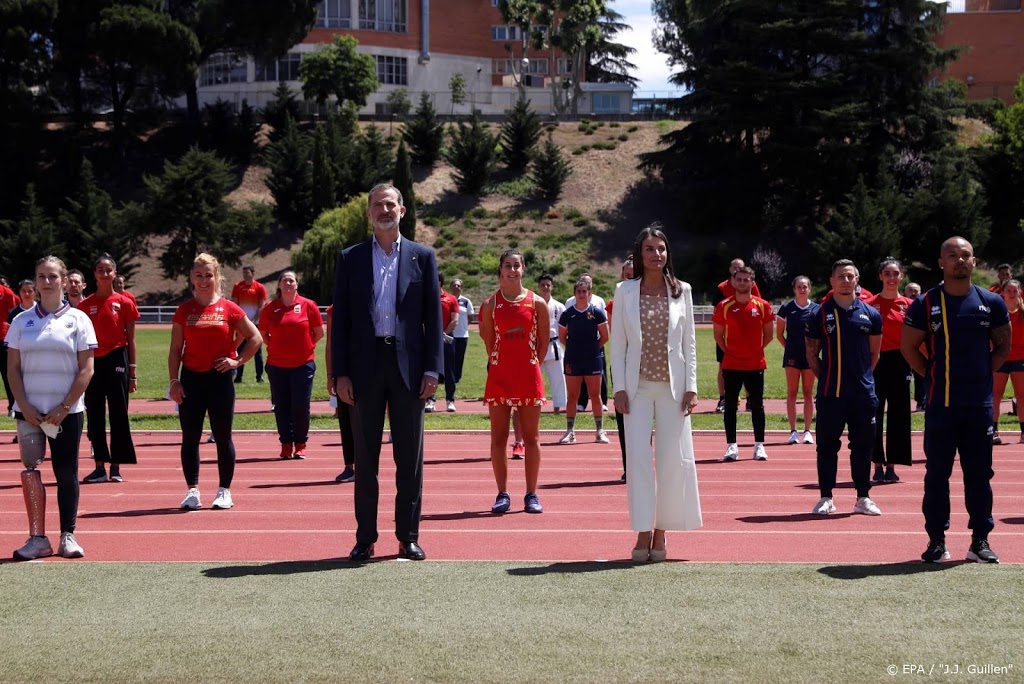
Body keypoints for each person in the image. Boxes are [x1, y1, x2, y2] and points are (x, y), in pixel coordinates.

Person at [331, 183, 443, 562]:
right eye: (377, 205)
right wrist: (340, 374)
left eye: (390, 204)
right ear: (369, 212)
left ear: (402, 210)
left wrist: (433, 369)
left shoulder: (422, 257)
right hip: (364, 368)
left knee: (409, 459)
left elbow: (433, 318)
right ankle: (365, 538)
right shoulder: (350, 258)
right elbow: (341, 321)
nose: (384, 210)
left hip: (409, 368)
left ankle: (407, 537)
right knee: (366, 460)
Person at [902, 236, 1010, 564]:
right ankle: (937, 540)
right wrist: (932, 375)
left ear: (974, 261)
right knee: (937, 476)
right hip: (941, 407)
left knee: (979, 475)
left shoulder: (992, 302)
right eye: (952, 255)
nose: (959, 260)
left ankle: (980, 540)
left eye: (965, 255)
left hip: (979, 407)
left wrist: (982, 375)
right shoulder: (926, 303)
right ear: (941, 262)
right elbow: (909, 348)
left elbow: (1003, 346)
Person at [611, 225, 702, 562]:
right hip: (636, 389)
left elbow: (689, 343)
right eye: (649, 249)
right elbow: (618, 346)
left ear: (667, 253)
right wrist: (619, 388)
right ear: (640, 254)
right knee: (637, 461)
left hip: (673, 390)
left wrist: (691, 386)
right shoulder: (625, 291)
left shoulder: (682, 290)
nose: (656, 254)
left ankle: (662, 531)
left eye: (661, 249)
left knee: (671, 462)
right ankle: (642, 530)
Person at [7, 256, 96, 560]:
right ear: (35, 281)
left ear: (64, 280)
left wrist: (65, 406)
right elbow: (12, 369)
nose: (47, 282)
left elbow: (87, 369)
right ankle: (37, 538)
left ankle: (67, 535)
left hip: (66, 413)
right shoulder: (21, 321)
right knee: (31, 471)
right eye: (41, 276)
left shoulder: (79, 320)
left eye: (53, 276)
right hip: (29, 411)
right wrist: (24, 405)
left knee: (66, 472)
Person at [169, 253, 263, 511]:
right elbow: (175, 349)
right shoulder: (184, 310)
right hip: (191, 380)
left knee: (223, 436)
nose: (203, 280)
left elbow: (255, 337)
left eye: (208, 275)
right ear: (192, 277)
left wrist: (237, 361)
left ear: (217, 276)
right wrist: (174, 381)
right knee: (190, 437)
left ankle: (224, 491)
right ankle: (192, 491)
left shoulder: (229, 308)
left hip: (219, 380)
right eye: (198, 275)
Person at [805, 259, 884, 517]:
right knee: (827, 447)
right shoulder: (819, 314)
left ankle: (863, 497)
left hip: (863, 395)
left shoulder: (871, 314)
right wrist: (827, 377)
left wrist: (861, 377)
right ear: (832, 281)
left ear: (857, 279)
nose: (846, 281)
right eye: (841, 276)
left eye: (850, 276)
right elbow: (811, 354)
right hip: (831, 394)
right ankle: (826, 497)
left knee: (862, 447)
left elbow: (874, 354)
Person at [479, 249, 549, 514]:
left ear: (523, 269)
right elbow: (489, 342)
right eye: (507, 265)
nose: (512, 270)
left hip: (529, 376)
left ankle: (531, 494)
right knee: (498, 437)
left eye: (516, 265)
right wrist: (502, 363)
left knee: (531, 437)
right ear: (500, 269)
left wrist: (530, 364)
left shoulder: (537, 303)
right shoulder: (490, 305)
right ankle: (502, 493)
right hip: (500, 376)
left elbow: (543, 342)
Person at [79, 254, 140, 484]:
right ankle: (99, 466)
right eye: (100, 270)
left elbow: (131, 340)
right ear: (94, 274)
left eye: (108, 270)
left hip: (117, 358)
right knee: (94, 414)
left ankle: (116, 466)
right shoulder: (85, 305)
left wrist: (132, 372)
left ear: (115, 273)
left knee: (118, 413)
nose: (104, 274)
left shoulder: (125, 302)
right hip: (93, 361)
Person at [259, 270, 324, 460]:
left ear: (297, 284)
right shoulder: (270, 308)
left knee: (300, 406)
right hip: (277, 366)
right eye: (284, 280)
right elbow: (262, 334)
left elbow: (319, 333)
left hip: (303, 365)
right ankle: (286, 444)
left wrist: (307, 347)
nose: (288, 283)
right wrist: (274, 346)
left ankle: (301, 444)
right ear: (279, 285)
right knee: (281, 407)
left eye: (291, 280)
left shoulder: (308, 305)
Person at [713, 266, 774, 461]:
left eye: (746, 280)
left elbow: (769, 334)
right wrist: (730, 351)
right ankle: (732, 446)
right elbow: (718, 335)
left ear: (752, 282)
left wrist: (755, 350)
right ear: (733, 281)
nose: (742, 283)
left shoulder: (762, 305)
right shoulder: (724, 306)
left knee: (757, 406)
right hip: (731, 364)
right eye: (739, 279)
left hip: (755, 364)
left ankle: (759, 445)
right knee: (730, 406)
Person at [866, 258, 913, 484]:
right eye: (887, 273)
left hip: (901, 361)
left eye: (895, 273)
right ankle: (876, 464)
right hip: (875, 361)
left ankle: (892, 464)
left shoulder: (909, 305)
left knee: (899, 414)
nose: (891, 278)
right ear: (880, 276)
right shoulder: (869, 304)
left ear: (901, 276)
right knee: (873, 413)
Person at [558, 279, 610, 444]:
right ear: (574, 294)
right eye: (578, 291)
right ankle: (570, 431)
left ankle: (599, 431)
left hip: (593, 359)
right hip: (572, 359)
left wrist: (592, 349)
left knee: (595, 395)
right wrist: (576, 349)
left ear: (589, 294)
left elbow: (605, 336)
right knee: (573, 396)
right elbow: (562, 337)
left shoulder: (597, 313)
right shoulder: (567, 314)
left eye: (584, 291)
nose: (581, 294)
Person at [714, 258, 761, 413]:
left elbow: (758, 305)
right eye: (734, 267)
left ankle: (750, 399)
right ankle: (723, 399)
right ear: (730, 270)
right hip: (727, 336)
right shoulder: (722, 287)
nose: (736, 270)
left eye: (739, 267)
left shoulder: (750, 285)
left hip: (747, 337)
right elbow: (717, 313)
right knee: (723, 367)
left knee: (750, 369)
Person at [776, 276, 819, 445]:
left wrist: (813, 352)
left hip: (810, 358)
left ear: (809, 289)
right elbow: (779, 335)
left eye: (805, 286)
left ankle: (807, 431)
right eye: (799, 287)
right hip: (792, 357)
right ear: (794, 289)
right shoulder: (786, 308)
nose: (802, 289)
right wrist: (790, 349)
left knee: (808, 393)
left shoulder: (816, 309)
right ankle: (793, 431)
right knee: (792, 393)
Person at [606, 258, 634, 481]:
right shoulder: (614, 303)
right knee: (624, 415)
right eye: (627, 274)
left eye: (635, 274)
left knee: (646, 418)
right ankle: (629, 467)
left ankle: (644, 465)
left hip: (646, 365)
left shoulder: (651, 298)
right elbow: (615, 337)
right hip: (622, 363)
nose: (631, 278)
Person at [564, 273, 608, 411]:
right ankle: (581, 402)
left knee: (600, 374)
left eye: (587, 283)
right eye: (582, 282)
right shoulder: (570, 302)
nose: (582, 293)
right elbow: (564, 331)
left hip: (596, 345)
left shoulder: (599, 301)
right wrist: (573, 346)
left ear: (590, 287)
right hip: (576, 348)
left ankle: (603, 402)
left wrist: (594, 347)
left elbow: (604, 327)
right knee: (578, 377)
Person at [990, 279, 1024, 445]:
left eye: (1014, 291)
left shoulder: (1022, 312)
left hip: (1020, 358)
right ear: (1002, 293)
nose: (1011, 294)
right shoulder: (997, 312)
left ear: (1019, 292)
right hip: (1000, 357)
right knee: (995, 395)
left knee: (1022, 396)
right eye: (1008, 291)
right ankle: (993, 431)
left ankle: (1023, 432)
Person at [427, 273, 459, 413]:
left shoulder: (450, 299)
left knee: (449, 371)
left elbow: (455, 320)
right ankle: (430, 400)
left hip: (446, 339)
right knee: (431, 370)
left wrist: (443, 334)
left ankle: (450, 400)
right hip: (430, 339)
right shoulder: (427, 298)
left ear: (439, 282)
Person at [230, 265, 267, 383]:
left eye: (247, 272)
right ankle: (238, 376)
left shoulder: (259, 287)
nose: (245, 275)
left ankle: (259, 376)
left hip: (255, 323)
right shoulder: (237, 286)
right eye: (244, 273)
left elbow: (262, 305)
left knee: (257, 350)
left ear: (253, 273)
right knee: (240, 349)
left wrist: (253, 319)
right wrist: (240, 320)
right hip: (241, 324)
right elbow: (234, 304)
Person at [536, 274, 566, 417]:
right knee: (534, 378)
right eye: (543, 285)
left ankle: (558, 407)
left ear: (552, 287)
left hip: (554, 344)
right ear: (538, 286)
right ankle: (533, 405)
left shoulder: (559, 307)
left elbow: (564, 327)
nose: (545, 287)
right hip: (537, 345)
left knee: (558, 377)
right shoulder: (533, 304)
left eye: (548, 285)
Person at [1, 277, 25, 417]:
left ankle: (13, 406)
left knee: (8, 373)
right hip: (4, 335)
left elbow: (14, 313)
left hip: (3, 336)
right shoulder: (7, 292)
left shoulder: (6, 292)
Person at [903, 281, 927, 411]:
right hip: (903, 347)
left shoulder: (924, 306)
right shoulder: (902, 305)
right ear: (905, 292)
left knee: (921, 374)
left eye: (916, 291)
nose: (913, 293)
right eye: (910, 290)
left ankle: (922, 400)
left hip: (921, 346)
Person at [450, 277, 473, 395]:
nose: (456, 287)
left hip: (462, 335)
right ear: (450, 287)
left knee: (459, 357)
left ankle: (456, 377)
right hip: (450, 334)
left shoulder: (466, 301)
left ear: (461, 288)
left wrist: (463, 326)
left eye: (458, 285)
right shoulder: (447, 300)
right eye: (454, 285)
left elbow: (470, 317)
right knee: (449, 357)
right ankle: (448, 377)